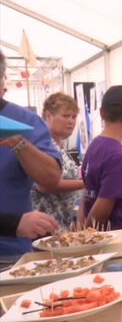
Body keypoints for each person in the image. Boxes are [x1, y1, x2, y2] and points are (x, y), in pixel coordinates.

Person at [0, 48, 61, 255]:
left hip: (11, 256)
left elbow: (50, 178)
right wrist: (13, 223)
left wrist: (19, 144)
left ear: (2, 82)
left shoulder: (24, 121)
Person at [79, 85, 122, 230]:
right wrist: (85, 238)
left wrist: (80, 232)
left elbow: (85, 197)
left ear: (102, 113)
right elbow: (101, 211)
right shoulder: (119, 157)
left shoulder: (93, 147)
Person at [31, 92, 83, 227]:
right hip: (43, 227)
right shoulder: (42, 145)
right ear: (48, 116)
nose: (71, 121)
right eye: (65, 116)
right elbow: (44, 185)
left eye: (74, 116)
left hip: (60, 224)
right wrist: (85, 183)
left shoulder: (59, 145)